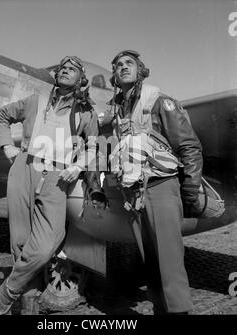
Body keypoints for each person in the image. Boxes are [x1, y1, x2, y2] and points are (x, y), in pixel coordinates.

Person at [0, 56, 103, 315]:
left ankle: (5, 293)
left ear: (81, 80)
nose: (64, 70)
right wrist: (7, 146)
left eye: (72, 69)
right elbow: (1, 116)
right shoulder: (35, 101)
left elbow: (94, 146)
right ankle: (27, 305)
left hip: (57, 175)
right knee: (19, 241)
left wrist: (77, 166)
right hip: (24, 167)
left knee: (49, 242)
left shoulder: (86, 112)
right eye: (62, 67)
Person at [100, 50, 203, 314]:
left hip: (161, 188)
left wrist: (190, 192)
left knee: (169, 265)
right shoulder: (117, 108)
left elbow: (189, 146)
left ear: (140, 70)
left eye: (129, 64)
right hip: (134, 195)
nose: (123, 68)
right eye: (118, 65)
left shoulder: (159, 101)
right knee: (151, 265)